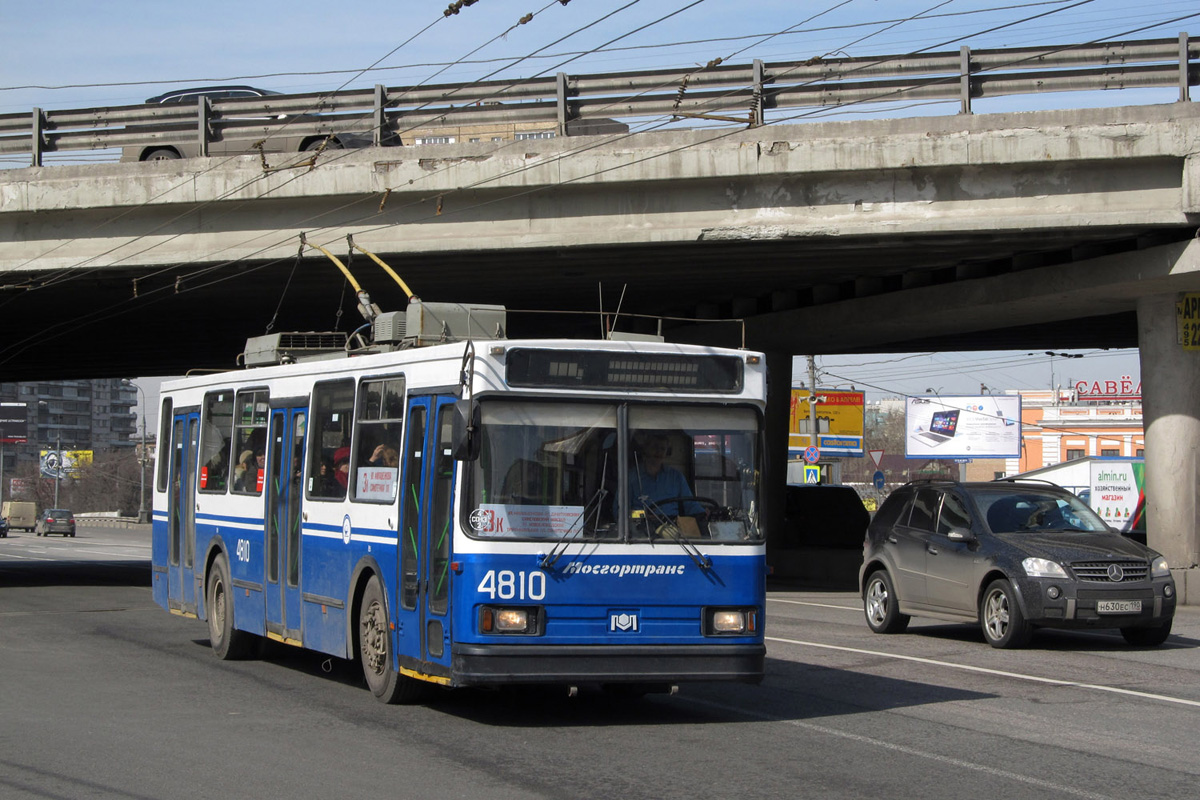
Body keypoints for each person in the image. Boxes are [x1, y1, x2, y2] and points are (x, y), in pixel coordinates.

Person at [625, 432, 704, 517]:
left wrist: (703, 513)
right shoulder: (631, 477)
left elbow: (691, 505)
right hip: (641, 527)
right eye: (655, 447)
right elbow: (620, 512)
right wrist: (643, 515)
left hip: (672, 527)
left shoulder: (676, 477)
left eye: (662, 449)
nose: (658, 452)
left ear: (667, 452)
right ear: (646, 449)